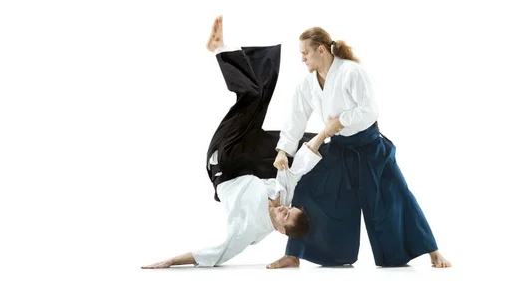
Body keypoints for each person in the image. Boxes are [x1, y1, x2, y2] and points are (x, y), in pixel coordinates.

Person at [142, 17, 328, 269]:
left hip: (224, 163)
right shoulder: (284, 196)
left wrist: (173, 261)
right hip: (248, 158)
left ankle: (218, 48)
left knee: (250, 98)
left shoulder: (248, 230)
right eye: (290, 209)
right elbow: (299, 167)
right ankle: (226, 51)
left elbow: (216, 252)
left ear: (281, 230)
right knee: (265, 100)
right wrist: (326, 135)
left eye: (285, 215)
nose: (285, 208)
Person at [268, 27, 452, 269]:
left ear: (321, 50)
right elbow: (296, 118)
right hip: (340, 150)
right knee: (307, 187)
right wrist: (283, 150)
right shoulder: (307, 84)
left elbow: (370, 110)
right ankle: (294, 254)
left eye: (305, 53)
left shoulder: (351, 72)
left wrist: (341, 121)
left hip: (370, 147)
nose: (302, 58)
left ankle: (433, 252)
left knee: (397, 195)